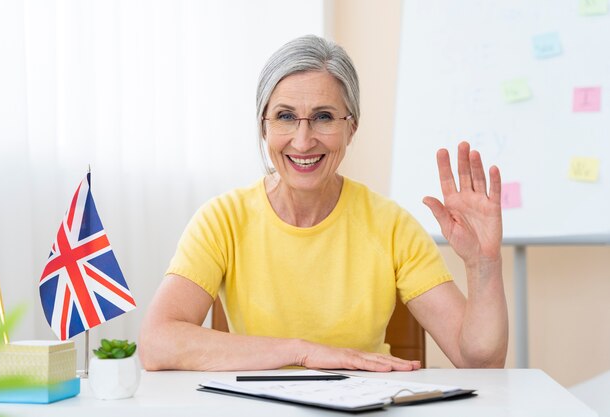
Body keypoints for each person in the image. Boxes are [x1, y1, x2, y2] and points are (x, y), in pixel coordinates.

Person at [139, 35, 508, 372]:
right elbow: (157, 343)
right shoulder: (222, 220)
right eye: (285, 117)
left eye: (323, 117)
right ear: (263, 126)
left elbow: (479, 360)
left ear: (352, 127)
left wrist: (483, 265)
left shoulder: (392, 226)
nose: (302, 141)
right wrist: (301, 352)